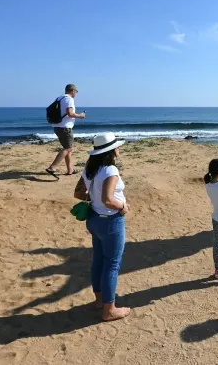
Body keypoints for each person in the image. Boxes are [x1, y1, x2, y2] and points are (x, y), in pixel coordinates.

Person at [73, 133, 130, 321]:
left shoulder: (90, 168)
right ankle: (109, 310)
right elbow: (108, 200)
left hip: (95, 219)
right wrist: (123, 207)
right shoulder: (111, 171)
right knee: (112, 265)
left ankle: (99, 301)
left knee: (98, 260)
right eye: (117, 146)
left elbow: (78, 193)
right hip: (110, 221)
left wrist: (93, 199)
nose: (119, 149)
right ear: (112, 150)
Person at [46, 84, 86, 179]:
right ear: (72, 90)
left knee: (68, 148)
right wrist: (81, 116)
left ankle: (70, 170)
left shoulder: (59, 98)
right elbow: (70, 113)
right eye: (76, 92)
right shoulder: (69, 99)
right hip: (65, 127)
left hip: (57, 126)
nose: (76, 94)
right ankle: (52, 167)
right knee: (68, 148)